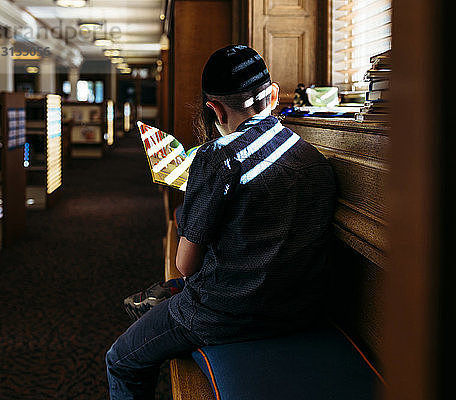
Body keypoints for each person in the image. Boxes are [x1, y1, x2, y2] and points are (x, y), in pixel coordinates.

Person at [106, 45, 336, 399]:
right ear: (273, 96)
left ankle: (159, 300)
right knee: (172, 289)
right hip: (297, 308)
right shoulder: (312, 156)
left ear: (213, 108)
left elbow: (186, 264)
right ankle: (160, 297)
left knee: (120, 359)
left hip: (227, 314)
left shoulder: (217, 157)